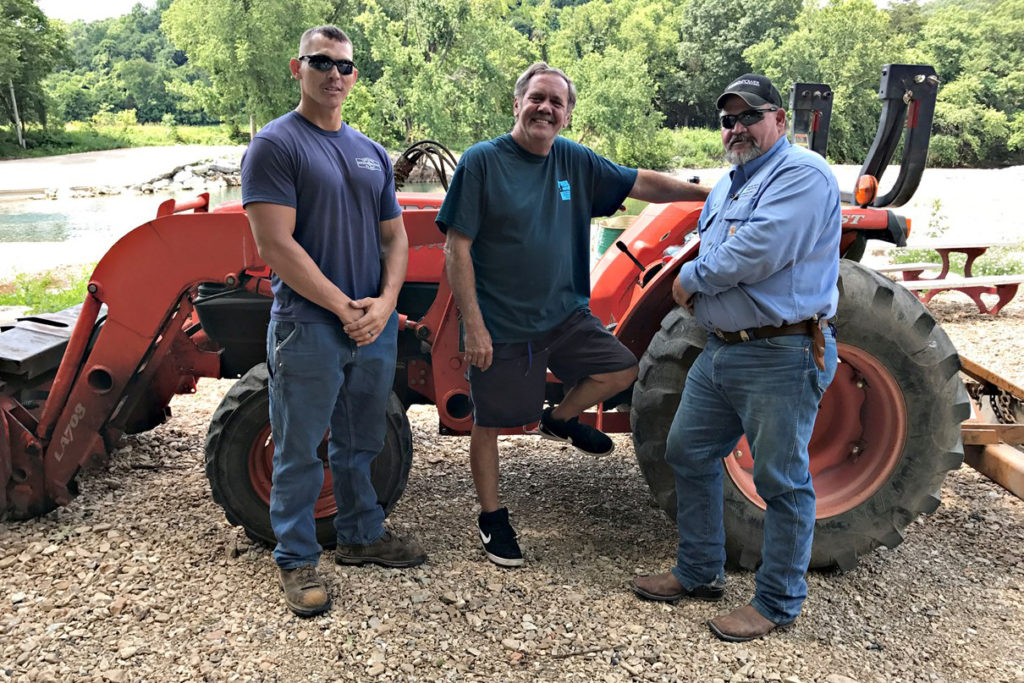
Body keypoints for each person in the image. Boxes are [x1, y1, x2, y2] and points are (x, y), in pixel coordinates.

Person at [436, 62, 710, 568]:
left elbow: (642, 184)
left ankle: (559, 418)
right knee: (491, 423)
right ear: (516, 104)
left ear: (566, 115)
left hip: (565, 315)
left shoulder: (573, 161)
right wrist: (473, 325)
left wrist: (707, 194)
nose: (545, 108)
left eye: (556, 102)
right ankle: (492, 518)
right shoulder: (482, 163)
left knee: (624, 368)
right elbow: (457, 248)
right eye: (537, 98)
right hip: (503, 322)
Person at [629, 73, 841, 642]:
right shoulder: (728, 184)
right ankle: (699, 572)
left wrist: (687, 279)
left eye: (749, 115)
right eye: (728, 119)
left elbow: (756, 251)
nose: (737, 128)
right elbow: (714, 243)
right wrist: (695, 285)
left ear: (780, 121)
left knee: (781, 480)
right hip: (722, 349)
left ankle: (777, 601)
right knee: (688, 450)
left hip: (782, 349)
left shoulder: (803, 174)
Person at [241, 25, 425, 618]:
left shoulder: (370, 151)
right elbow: (276, 245)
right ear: (297, 69)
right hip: (309, 327)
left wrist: (386, 302)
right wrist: (343, 306)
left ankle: (361, 536)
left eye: (345, 66)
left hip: (372, 324)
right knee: (298, 448)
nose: (335, 75)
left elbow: (395, 237)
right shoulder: (276, 145)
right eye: (321, 63)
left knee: (362, 441)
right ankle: (296, 560)